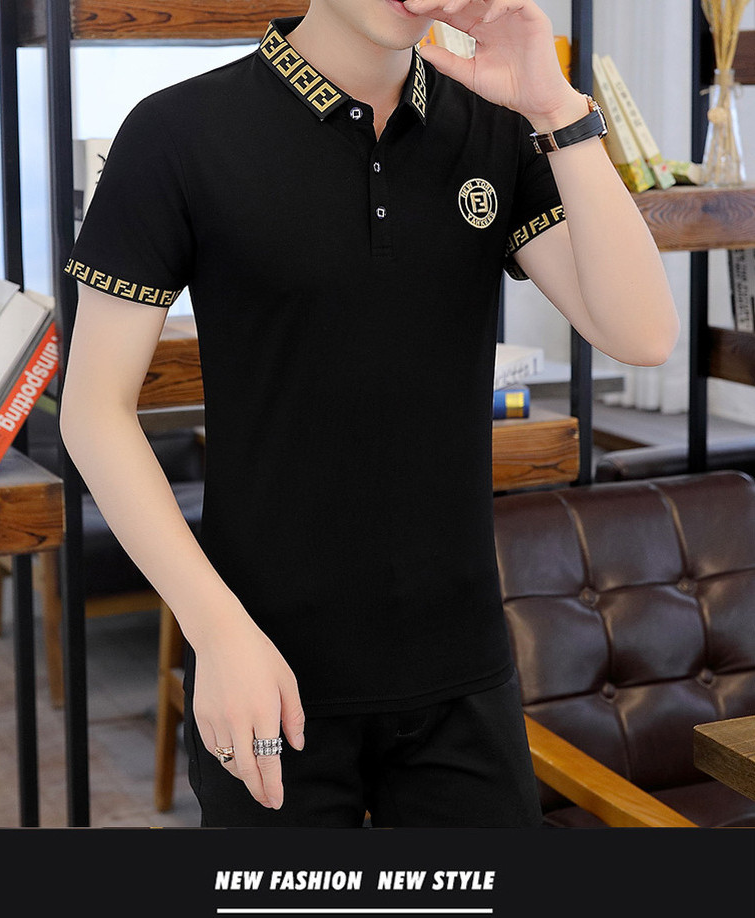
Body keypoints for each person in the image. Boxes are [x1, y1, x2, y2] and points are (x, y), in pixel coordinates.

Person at [58, 0, 679, 828]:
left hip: (464, 672)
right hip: (267, 668)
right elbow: (93, 411)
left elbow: (643, 335)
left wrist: (556, 110)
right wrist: (217, 632)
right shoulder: (177, 132)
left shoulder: (494, 128)